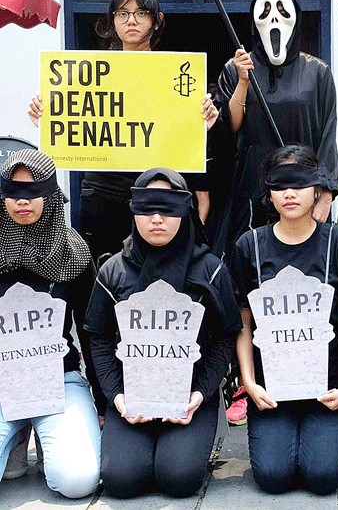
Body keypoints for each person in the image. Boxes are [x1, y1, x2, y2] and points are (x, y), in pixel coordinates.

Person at [27, 0, 219, 259]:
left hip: (156, 191)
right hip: (103, 193)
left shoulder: (176, 74)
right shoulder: (87, 74)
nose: (131, 20)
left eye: (141, 13)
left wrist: (204, 124)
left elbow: (190, 147)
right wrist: (44, 115)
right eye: (122, 13)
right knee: (106, 270)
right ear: (113, 21)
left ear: (156, 20)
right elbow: (69, 118)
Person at [84, 168, 241, 499]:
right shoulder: (113, 271)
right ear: (133, 210)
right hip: (131, 397)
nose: (157, 218)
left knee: (178, 478)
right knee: (122, 480)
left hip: (189, 399)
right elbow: (97, 337)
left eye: (168, 207)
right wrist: (117, 398)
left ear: (185, 209)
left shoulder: (210, 270)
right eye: (148, 207)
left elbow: (228, 335)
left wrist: (200, 394)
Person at [229, 145, 338, 494]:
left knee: (323, 477)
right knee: (274, 477)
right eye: (280, 185)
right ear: (268, 192)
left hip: (329, 387)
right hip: (271, 389)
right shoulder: (249, 246)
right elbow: (243, 323)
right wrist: (249, 382)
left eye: (299, 183)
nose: (290, 193)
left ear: (317, 190)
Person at [0, 150, 101, 498]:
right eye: (12, 192)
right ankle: (16, 433)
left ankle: (46, 433)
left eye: (32, 192)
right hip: (1, 380)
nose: (21, 201)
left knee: (77, 480)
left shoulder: (73, 252)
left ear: (52, 194)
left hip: (58, 377)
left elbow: (91, 332)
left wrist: (103, 404)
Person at [215, 0, 338, 254]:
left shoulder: (317, 73)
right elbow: (227, 128)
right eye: (266, 10)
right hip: (249, 189)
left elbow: (328, 134)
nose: (274, 18)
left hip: (301, 187)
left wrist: (326, 193)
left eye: (283, 10)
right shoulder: (235, 69)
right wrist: (243, 82)